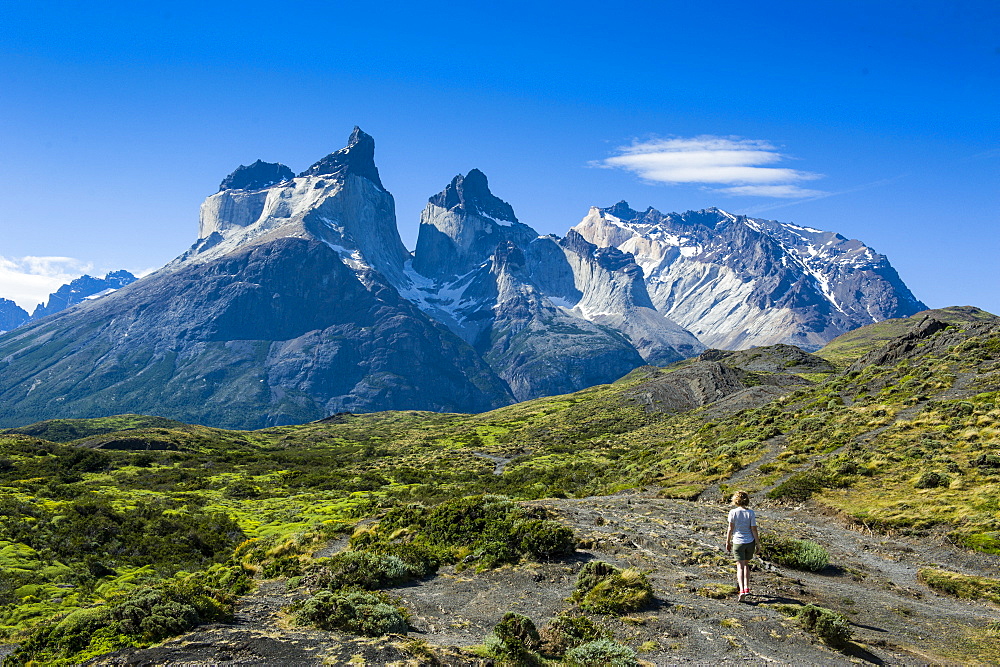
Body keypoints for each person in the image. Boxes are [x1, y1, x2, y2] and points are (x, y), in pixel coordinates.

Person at [725, 490, 759, 602]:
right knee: (746, 565)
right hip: (750, 542)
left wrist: (727, 542)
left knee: (740, 566)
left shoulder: (733, 512)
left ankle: (742, 590)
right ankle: (747, 587)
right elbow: (754, 529)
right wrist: (758, 543)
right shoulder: (751, 513)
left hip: (738, 541)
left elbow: (730, 528)